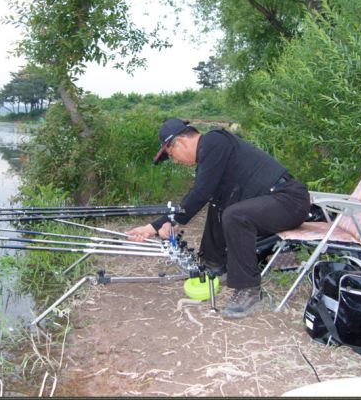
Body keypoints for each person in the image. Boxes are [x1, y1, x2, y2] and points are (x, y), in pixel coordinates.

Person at [126, 118, 310, 318]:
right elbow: (204, 195)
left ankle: (248, 289)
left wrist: (169, 222)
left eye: (171, 155)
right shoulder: (212, 154)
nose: (176, 161)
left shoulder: (214, 141)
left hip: (289, 201)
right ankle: (215, 266)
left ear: (179, 142)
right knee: (219, 204)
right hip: (273, 202)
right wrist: (153, 227)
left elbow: (200, 192)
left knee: (236, 215)